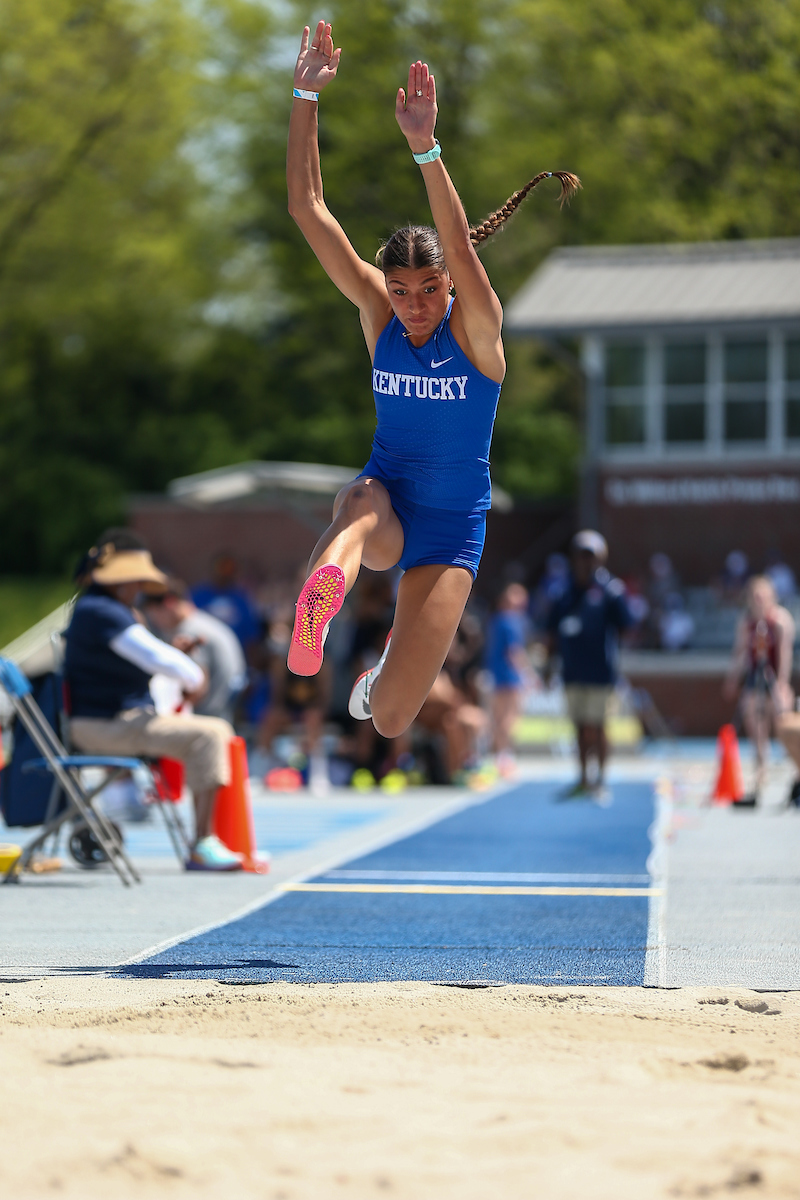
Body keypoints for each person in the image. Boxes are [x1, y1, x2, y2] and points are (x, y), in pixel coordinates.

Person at [285, 19, 579, 746]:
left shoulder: (478, 336)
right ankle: (318, 604)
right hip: (388, 499)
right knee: (356, 505)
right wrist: (304, 95)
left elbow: (459, 250)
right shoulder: (378, 314)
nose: (412, 304)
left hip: (452, 529)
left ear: (450, 284)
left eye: (427, 289)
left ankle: (377, 675)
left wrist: (427, 147)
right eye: (400, 289)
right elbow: (308, 209)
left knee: (390, 717)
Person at [63, 544, 243, 871]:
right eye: (137, 584)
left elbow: (145, 657)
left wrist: (176, 660)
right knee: (210, 735)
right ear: (121, 583)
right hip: (104, 726)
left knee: (214, 730)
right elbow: (155, 657)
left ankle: (205, 840)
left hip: (108, 721)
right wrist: (189, 673)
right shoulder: (104, 611)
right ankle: (202, 843)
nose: (140, 593)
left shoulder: (95, 609)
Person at [546, 530, 634, 802]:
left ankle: (601, 780)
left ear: (601, 558)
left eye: (591, 556)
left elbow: (627, 626)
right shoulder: (564, 592)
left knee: (598, 725)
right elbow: (551, 632)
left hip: (601, 673)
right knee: (579, 726)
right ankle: (583, 778)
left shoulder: (611, 590)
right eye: (581, 555)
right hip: (572, 670)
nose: (586, 562)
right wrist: (551, 664)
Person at [723, 575, 795, 805]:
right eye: (754, 597)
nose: (758, 601)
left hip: (774, 675)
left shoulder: (781, 620)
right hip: (756, 677)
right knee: (752, 715)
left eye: (762, 597)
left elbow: (785, 653)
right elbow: (741, 652)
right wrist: (733, 678)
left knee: (782, 719)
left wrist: (782, 682)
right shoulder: (746, 622)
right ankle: (761, 765)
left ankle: (794, 766)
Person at [142, 579, 247, 724]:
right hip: (220, 712)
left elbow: (197, 689)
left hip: (209, 715)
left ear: (169, 603)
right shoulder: (199, 623)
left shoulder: (191, 632)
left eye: (154, 612)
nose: (154, 620)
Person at [486, 583, 530, 776]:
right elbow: (514, 652)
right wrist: (528, 674)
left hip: (496, 674)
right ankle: (504, 758)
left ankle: (499, 757)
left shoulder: (495, 620)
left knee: (499, 718)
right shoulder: (511, 620)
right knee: (508, 718)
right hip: (509, 676)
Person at [191, 553, 261, 654]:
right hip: (204, 652)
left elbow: (252, 636)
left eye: (230, 568)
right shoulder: (199, 596)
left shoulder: (241, 599)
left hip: (235, 654)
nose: (225, 572)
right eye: (222, 567)